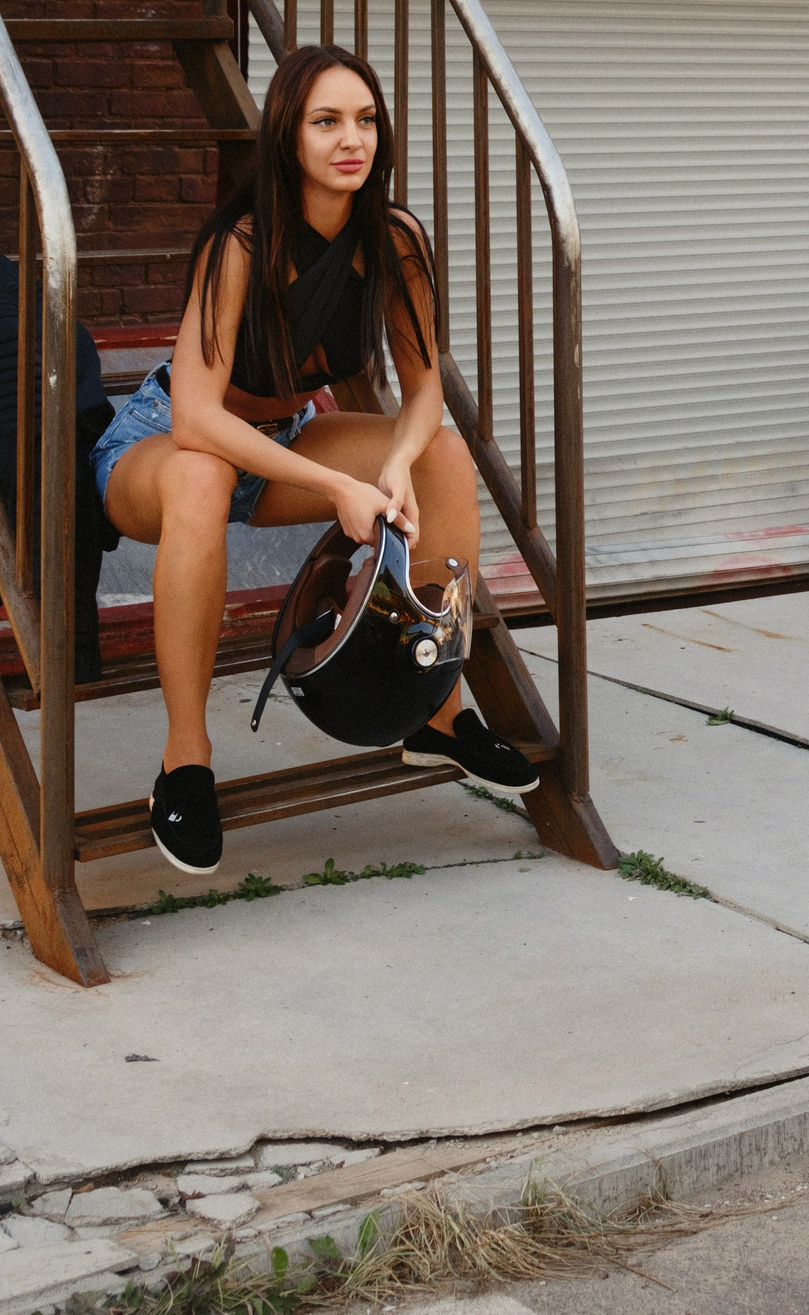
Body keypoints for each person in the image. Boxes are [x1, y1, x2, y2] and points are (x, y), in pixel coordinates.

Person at [91, 45, 538, 874]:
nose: (351, 139)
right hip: (164, 445)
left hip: (285, 439)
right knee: (201, 473)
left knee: (441, 453)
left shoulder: (395, 239)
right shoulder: (241, 242)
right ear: (288, 136)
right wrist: (339, 485)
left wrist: (397, 461)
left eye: (365, 119)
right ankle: (184, 761)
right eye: (326, 120)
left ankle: (435, 712)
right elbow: (195, 417)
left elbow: (425, 391)